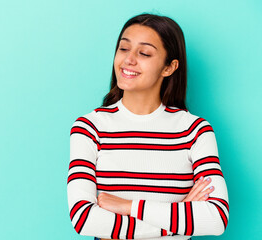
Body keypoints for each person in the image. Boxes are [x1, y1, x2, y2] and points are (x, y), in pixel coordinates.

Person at [67, 13, 229, 240]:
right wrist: (178, 221)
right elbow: (84, 219)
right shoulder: (90, 127)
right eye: (123, 49)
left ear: (169, 67)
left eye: (144, 53)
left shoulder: (195, 130)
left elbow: (216, 218)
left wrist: (127, 206)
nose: (128, 60)